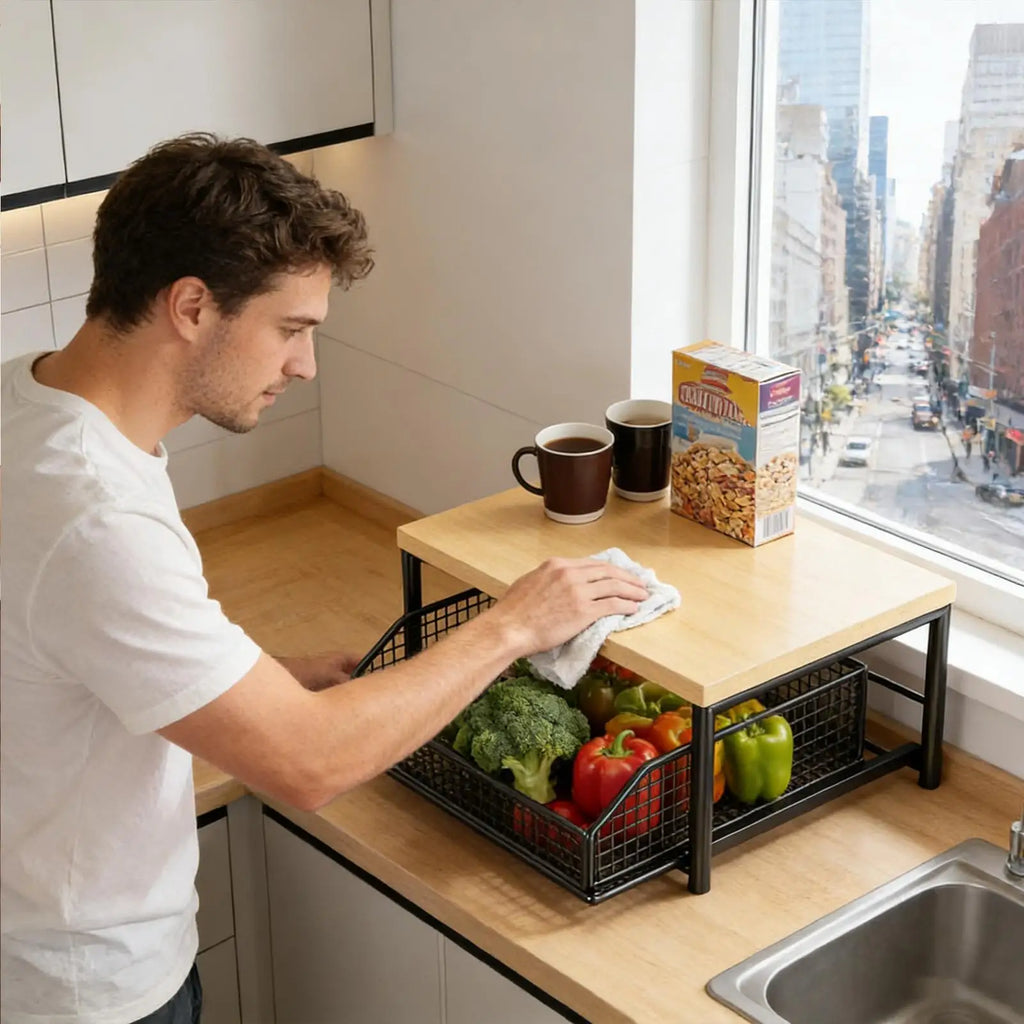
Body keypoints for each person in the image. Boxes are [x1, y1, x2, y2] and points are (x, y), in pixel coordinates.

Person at [0, 135, 648, 1024]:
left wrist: (248, 686)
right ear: (192, 305)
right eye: (291, 329)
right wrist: (510, 626)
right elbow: (308, 764)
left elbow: (55, 651)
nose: (303, 366)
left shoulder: (26, 404)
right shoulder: (93, 512)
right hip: (82, 991)